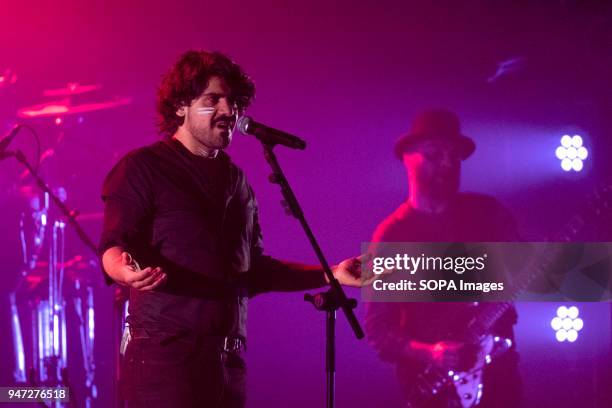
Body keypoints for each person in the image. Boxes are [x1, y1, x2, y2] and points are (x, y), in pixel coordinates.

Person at [99, 50, 364, 408]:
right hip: (165, 358)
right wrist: (122, 269)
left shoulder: (236, 181)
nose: (229, 111)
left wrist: (330, 274)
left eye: (233, 101)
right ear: (181, 106)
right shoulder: (143, 168)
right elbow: (114, 244)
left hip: (228, 362)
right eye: (213, 99)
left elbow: (253, 271)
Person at [364, 109, 522, 407]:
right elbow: (378, 332)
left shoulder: (489, 215)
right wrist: (430, 352)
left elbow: (525, 276)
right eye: (434, 155)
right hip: (434, 391)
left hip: (500, 382)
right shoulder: (391, 237)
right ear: (407, 158)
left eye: (455, 156)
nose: (448, 164)